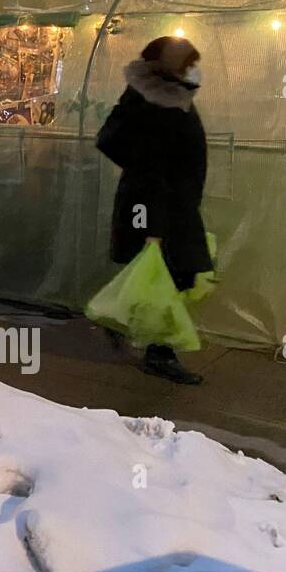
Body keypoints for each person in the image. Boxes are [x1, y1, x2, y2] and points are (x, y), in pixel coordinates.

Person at [95, 36, 212, 385]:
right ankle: (159, 353)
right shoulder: (151, 98)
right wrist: (153, 224)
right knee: (165, 277)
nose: (194, 68)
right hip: (154, 207)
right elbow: (111, 139)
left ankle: (119, 322)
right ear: (172, 65)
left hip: (173, 205)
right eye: (189, 62)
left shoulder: (171, 93)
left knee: (164, 276)